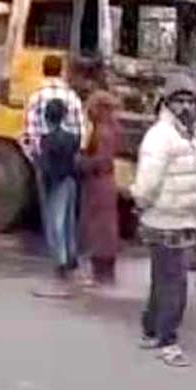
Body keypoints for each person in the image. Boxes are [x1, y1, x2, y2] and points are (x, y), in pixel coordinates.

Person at [132, 69, 196, 367]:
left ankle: (151, 330)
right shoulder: (160, 136)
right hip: (165, 219)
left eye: (190, 101)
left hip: (180, 218)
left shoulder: (186, 134)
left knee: (162, 279)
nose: (186, 107)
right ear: (167, 103)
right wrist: (141, 201)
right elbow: (148, 181)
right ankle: (168, 341)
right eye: (179, 101)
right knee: (174, 282)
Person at [31, 99, 82, 297]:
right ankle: (71, 258)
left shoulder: (46, 140)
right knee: (69, 224)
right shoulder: (72, 138)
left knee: (57, 225)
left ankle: (60, 265)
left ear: (47, 117)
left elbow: (45, 166)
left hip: (56, 184)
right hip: (71, 181)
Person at [78, 90, 122, 286]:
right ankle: (105, 273)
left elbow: (102, 160)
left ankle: (100, 274)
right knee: (106, 226)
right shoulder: (111, 128)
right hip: (106, 182)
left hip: (99, 183)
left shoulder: (102, 131)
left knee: (99, 227)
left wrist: (82, 162)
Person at [22, 55, 84, 156]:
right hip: (67, 160)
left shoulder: (36, 97)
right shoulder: (72, 97)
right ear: (61, 72)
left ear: (43, 70)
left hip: (43, 159)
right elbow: (80, 131)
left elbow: (30, 132)